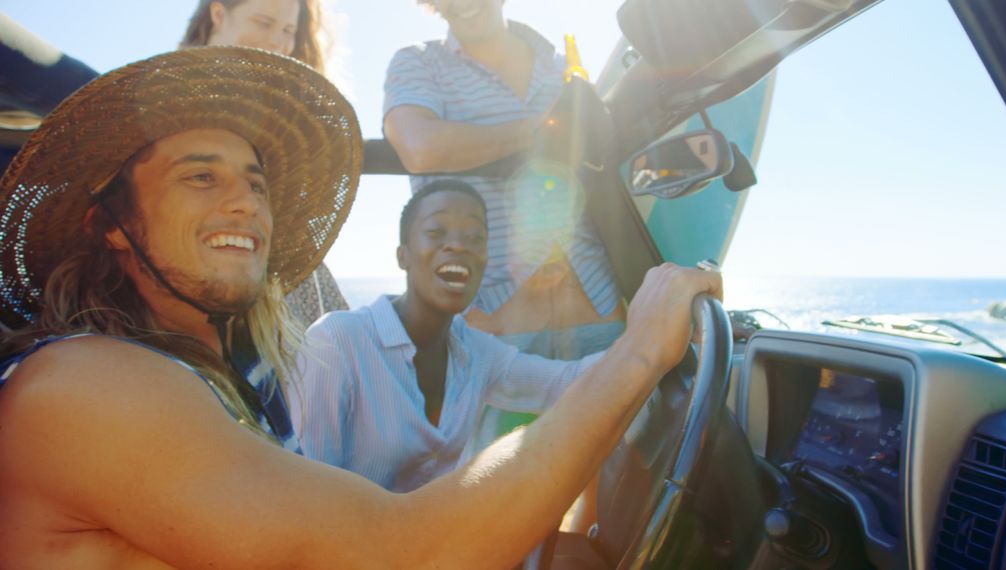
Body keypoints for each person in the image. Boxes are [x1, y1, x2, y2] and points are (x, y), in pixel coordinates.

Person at [0, 47, 723, 568]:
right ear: (109, 226)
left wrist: (646, 349)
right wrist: (636, 353)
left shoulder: (215, 382)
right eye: (200, 176)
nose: (245, 202)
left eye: (256, 182)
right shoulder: (81, 388)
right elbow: (406, 551)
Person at [290, 178, 602, 492]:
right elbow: (305, 488)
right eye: (436, 232)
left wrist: (647, 341)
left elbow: (566, 381)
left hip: (444, 537)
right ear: (403, 256)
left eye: (475, 236)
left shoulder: (476, 352)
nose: (459, 245)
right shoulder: (337, 341)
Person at [383, 0, 624, 361]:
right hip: (494, 330)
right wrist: (540, 131)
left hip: (601, 311)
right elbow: (419, 148)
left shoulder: (562, 66)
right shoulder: (418, 62)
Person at [181, 0, 349, 330]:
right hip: (197, 270)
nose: (277, 41)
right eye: (263, 22)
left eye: (288, 30)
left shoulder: (291, 114)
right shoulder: (165, 96)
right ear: (218, 13)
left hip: (280, 271)